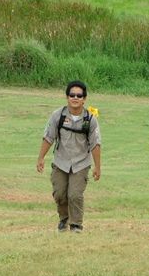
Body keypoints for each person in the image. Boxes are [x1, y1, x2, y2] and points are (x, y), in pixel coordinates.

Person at [36, 80, 101, 233]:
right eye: (72, 95)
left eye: (79, 95)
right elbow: (48, 138)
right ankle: (64, 219)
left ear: (84, 99)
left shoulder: (90, 120)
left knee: (75, 195)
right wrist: (41, 158)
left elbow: (96, 144)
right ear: (67, 97)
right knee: (60, 193)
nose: (75, 98)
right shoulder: (57, 116)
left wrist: (98, 167)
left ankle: (76, 224)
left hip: (81, 163)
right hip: (61, 161)